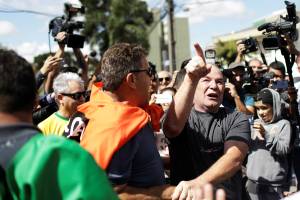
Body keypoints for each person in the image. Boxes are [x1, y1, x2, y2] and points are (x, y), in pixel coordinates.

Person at [0, 48, 117, 199]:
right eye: (76, 96)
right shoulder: (59, 154)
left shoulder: (93, 120)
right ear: (36, 101)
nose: (82, 99)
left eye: (84, 95)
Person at [79, 43, 174, 199]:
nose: (151, 78)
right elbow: (110, 193)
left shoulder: (115, 110)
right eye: (148, 72)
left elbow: (137, 162)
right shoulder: (117, 123)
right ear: (131, 80)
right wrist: (168, 193)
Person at [163, 43, 250, 200]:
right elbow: (171, 128)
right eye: (206, 80)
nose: (214, 86)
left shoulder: (236, 118)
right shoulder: (183, 117)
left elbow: (234, 158)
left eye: (219, 82)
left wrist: (197, 183)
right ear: (194, 86)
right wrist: (191, 77)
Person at [246, 88, 291, 200]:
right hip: (252, 183)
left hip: (273, 186)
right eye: (258, 108)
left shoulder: (283, 124)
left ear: (275, 106)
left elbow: (284, 150)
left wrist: (266, 134)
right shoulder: (255, 124)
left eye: (264, 108)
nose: (261, 112)